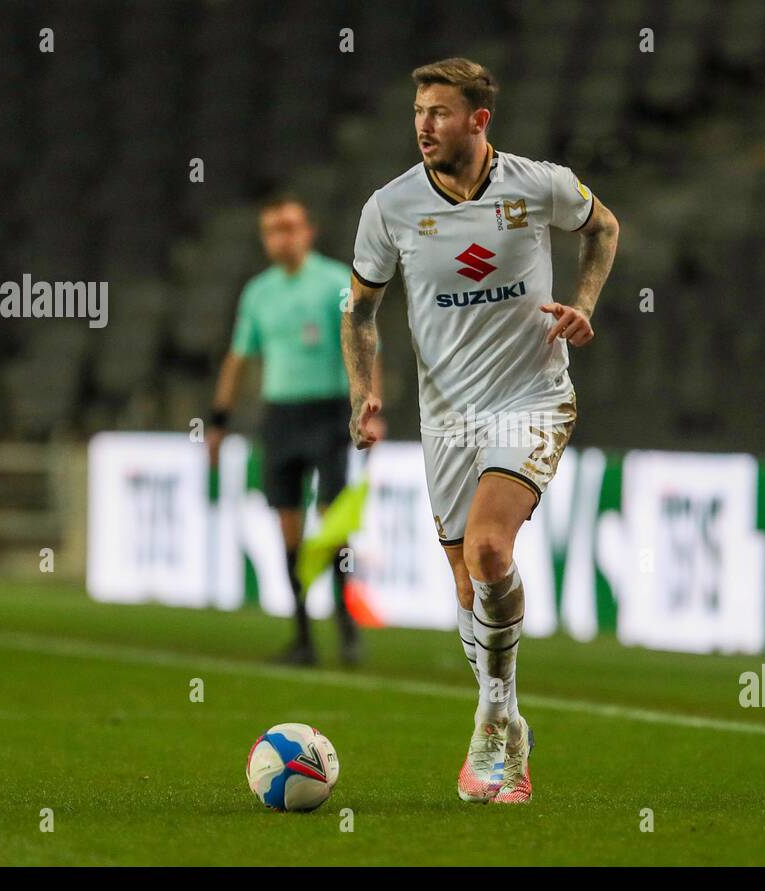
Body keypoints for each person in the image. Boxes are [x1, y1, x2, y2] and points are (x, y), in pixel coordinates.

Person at [341, 58, 619, 803]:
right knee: (469, 584)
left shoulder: (540, 185)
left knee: (492, 548)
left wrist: (583, 301)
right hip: (448, 419)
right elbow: (360, 310)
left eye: (438, 112)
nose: (424, 125)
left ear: (478, 120)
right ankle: (513, 724)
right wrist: (365, 391)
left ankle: (493, 719)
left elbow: (605, 228)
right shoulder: (391, 207)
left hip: (532, 396)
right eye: (418, 112)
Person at [209, 193, 383, 666]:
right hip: (280, 417)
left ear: (309, 231)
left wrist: (369, 407)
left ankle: (346, 627)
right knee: (287, 525)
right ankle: (303, 635)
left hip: (328, 414)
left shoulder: (333, 282)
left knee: (331, 523)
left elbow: (366, 341)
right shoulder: (258, 293)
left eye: (289, 227)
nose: (281, 238)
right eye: (272, 230)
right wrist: (219, 420)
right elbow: (238, 358)